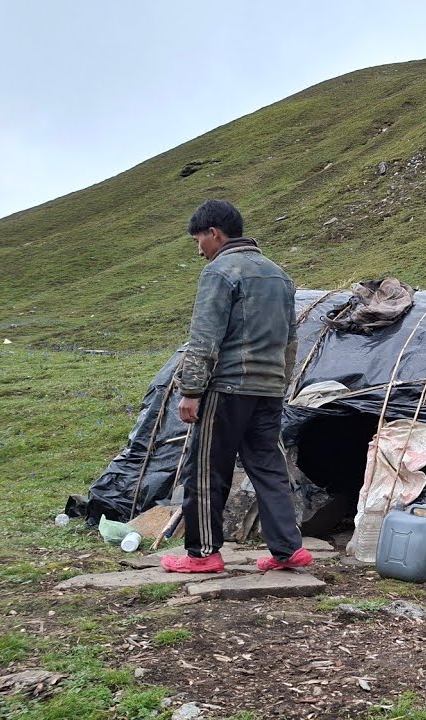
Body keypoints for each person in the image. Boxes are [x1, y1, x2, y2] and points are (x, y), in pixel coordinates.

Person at [161, 199, 313, 573]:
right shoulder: (279, 274)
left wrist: (191, 391)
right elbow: (290, 339)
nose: (199, 250)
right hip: (269, 389)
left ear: (214, 233)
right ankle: (287, 549)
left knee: (207, 469)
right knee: (268, 467)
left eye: (199, 240)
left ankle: (203, 554)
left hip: (227, 388)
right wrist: (281, 382)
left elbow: (204, 338)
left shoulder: (221, 271)